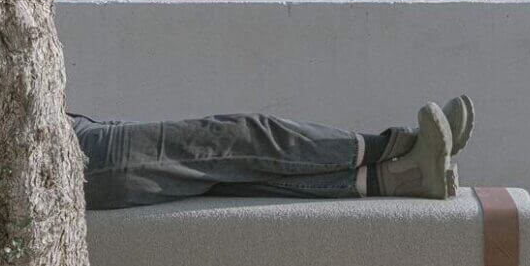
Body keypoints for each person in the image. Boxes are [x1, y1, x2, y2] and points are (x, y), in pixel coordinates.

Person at [68, 96, 474, 211]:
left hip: (79, 139)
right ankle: (396, 145)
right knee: (242, 137)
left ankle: (402, 178)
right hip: (81, 156)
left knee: (235, 176)